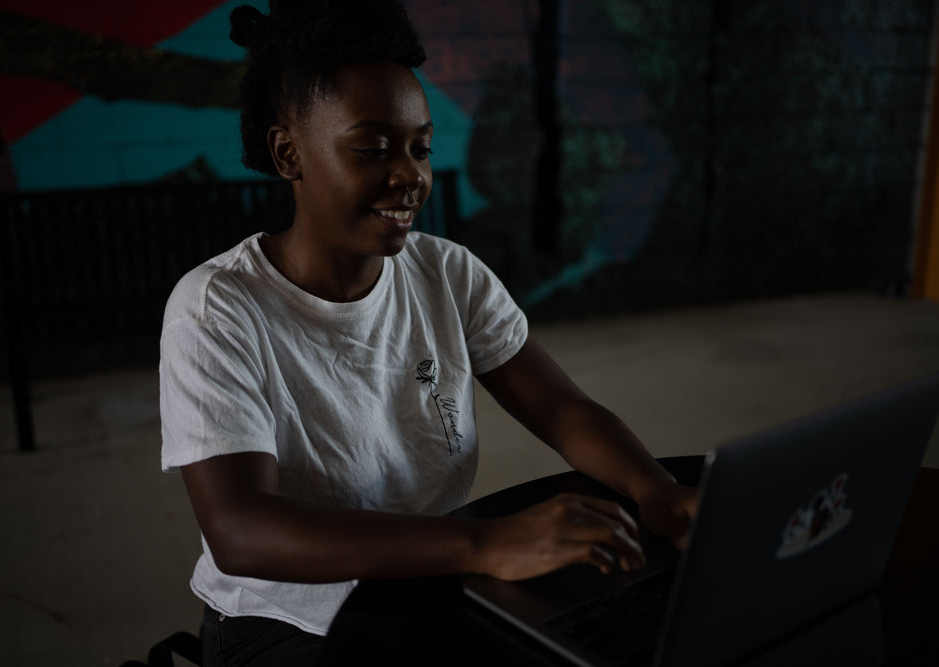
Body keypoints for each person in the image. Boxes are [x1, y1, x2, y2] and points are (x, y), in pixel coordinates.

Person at [159, 1, 698, 665]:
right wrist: (489, 544)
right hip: (288, 625)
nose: (409, 174)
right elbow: (243, 530)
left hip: (427, 585)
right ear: (287, 152)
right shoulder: (217, 309)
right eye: (372, 149)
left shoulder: (447, 272)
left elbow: (562, 409)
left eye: (420, 148)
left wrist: (653, 489)